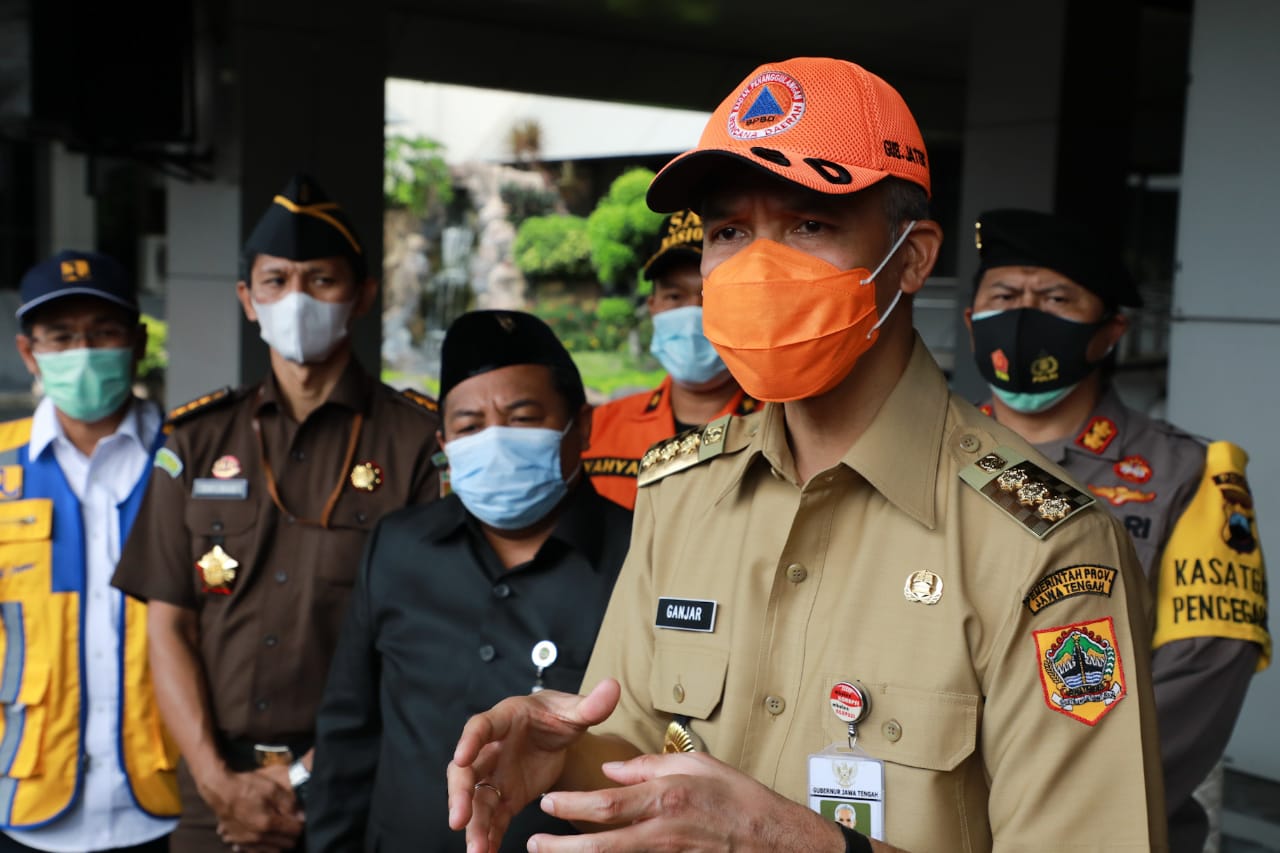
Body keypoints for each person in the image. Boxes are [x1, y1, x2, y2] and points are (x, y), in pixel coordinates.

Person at [446, 57, 1166, 852]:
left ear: (913, 256)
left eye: (807, 224)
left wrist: (797, 842)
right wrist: (562, 755)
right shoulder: (683, 492)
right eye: (728, 232)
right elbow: (639, 747)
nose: (757, 267)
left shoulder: (1042, 547)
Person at [111, 173, 442, 853]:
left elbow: (426, 639)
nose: (296, 298)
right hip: (215, 792)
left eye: (321, 279)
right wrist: (215, 780)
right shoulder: (195, 440)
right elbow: (167, 625)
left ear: (362, 296)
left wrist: (299, 779)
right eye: (276, 280)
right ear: (248, 300)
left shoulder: (416, 443)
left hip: (357, 784)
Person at [963, 208, 1270, 853]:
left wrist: (1044, 808)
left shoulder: (1189, 473)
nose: (1025, 315)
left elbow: (1202, 672)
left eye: (1055, 298)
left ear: (1110, 333)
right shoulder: (925, 454)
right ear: (971, 321)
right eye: (1004, 296)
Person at [307, 310, 632, 851]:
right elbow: (349, 732)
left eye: (523, 417)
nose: (495, 440)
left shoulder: (641, 557)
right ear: (444, 442)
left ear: (583, 424)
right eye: (469, 426)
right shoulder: (398, 548)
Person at [0, 250, 177, 852]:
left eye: (102, 333)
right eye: (61, 336)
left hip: (171, 800)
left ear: (137, 340)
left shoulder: (194, 461)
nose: (83, 351)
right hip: (23, 800)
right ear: (30, 351)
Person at [584, 210, 757, 509]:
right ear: (653, 307)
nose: (694, 314)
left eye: (711, 294)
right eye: (675, 297)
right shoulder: (599, 428)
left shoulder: (786, 427)